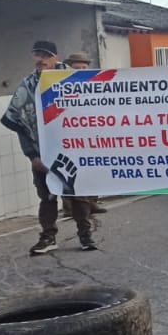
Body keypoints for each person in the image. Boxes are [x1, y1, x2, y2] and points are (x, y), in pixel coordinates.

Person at [0, 40, 96, 254]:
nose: (41, 59)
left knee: (78, 194)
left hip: (73, 150)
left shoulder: (73, 78)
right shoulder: (28, 85)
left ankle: (85, 234)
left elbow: (94, 110)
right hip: (42, 153)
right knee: (47, 196)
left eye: (46, 55)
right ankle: (48, 237)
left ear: (55, 57)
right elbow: (19, 122)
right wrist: (32, 156)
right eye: (37, 55)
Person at [58, 52, 108, 218]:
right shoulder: (60, 87)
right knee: (68, 172)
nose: (80, 70)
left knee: (91, 168)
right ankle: (69, 207)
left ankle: (92, 201)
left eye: (84, 67)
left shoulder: (93, 85)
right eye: (76, 68)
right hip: (67, 137)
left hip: (89, 136)